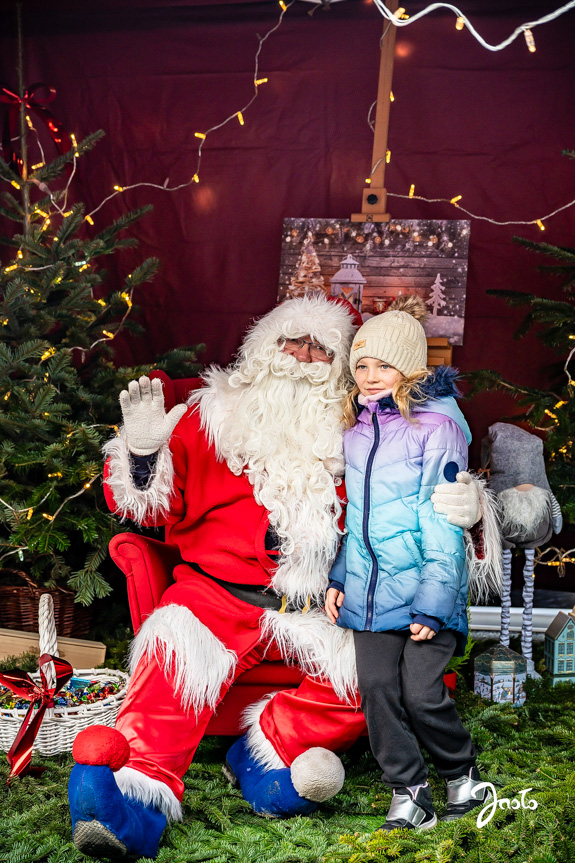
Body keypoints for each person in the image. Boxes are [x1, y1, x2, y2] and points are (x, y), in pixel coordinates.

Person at [67, 293, 492, 859]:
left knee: (367, 682)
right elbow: (151, 511)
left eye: (321, 348)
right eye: (291, 341)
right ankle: (131, 802)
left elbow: (415, 500)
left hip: (321, 602)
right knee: (171, 666)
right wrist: (143, 454)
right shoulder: (206, 417)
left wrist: (468, 504)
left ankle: (261, 751)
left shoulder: (362, 427)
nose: (303, 355)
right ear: (261, 347)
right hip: (215, 594)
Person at [325, 295, 491, 832]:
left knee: (421, 693)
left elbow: (443, 523)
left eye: (383, 365)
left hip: (426, 591)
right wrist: (337, 578)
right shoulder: (354, 429)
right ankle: (409, 790)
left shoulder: (436, 427)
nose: (370, 377)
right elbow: (356, 519)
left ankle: (460, 773)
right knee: (376, 689)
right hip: (370, 593)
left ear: (411, 369)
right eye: (361, 366)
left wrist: (435, 603)